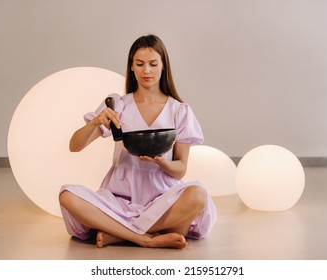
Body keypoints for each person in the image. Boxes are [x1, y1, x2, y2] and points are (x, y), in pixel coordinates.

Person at [59, 34, 217, 249]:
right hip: (119, 197)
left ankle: (118, 234)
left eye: (153, 64)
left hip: (163, 198)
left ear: (163, 66)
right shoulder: (117, 104)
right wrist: (95, 122)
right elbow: (74, 146)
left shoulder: (179, 110)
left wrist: (162, 162)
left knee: (198, 195)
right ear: (131, 67)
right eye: (139, 64)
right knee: (67, 195)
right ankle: (144, 238)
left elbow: (180, 170)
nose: (146, 71)